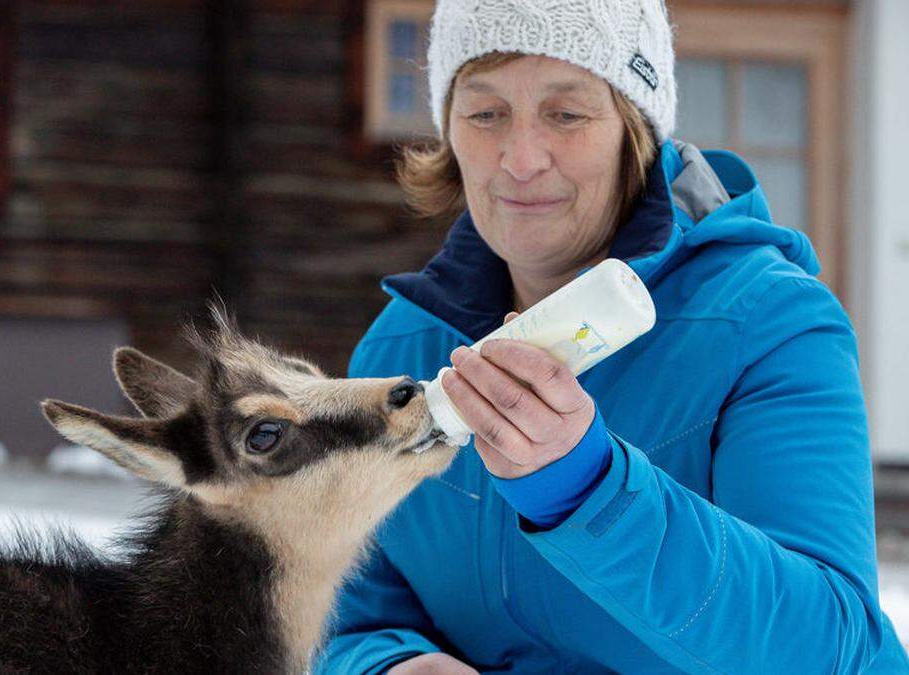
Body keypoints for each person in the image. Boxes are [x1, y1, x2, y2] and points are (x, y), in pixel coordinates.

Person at [312, 0, 909, 673]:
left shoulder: (769, 325)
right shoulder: (402, 349)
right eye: (485, 113)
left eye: (566, 114)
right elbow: (348, 613)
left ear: (635, 129)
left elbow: (834, 649)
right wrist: (390, 664)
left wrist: (589, 489)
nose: (521, 158)